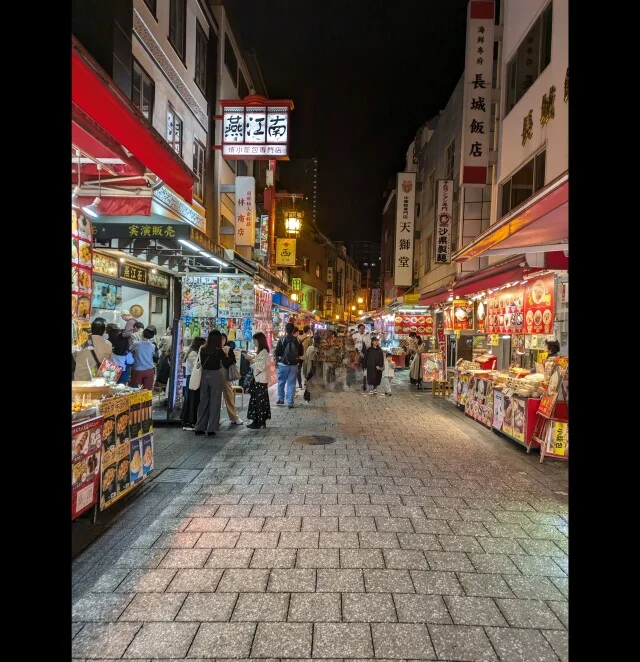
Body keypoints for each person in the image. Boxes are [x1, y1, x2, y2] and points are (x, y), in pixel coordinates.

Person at [195, 330, 234, 436]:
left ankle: (200, 427)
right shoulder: (219, 350)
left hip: (204, 376)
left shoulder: (203, 349)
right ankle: (211, 428)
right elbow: (226, 364)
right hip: (215, 376)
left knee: (203, 401)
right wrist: (228, 355)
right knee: (215, 402)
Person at [246, 332, 272, 429]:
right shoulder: (262, 352)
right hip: (260, 380)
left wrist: (251, 360)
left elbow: (260, 367)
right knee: (259, 401)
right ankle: (260, 420)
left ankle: (258, 421)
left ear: (259, 340)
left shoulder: (263, 352)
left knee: (259, 401)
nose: (254, 342)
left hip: (260, 380)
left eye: (255, 340)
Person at [275, 322, 303, 408]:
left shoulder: (282, 339)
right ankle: (290, 402)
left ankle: (281, 399)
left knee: (281, 382)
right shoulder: (298, 340)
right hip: (294, 365)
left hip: (283, 364)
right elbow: (301, 352)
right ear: (293, 330)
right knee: (291, 383)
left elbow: (277, 352)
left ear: (286, 330)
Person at [181, 336, 206, 431]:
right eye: (203, 344)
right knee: (191, 400)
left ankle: (190, 419)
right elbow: (196, 366)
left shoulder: (194, 353)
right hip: (191, 378)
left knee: (192, 400)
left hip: (193, 378)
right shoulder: (193, 354)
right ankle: (188, 421)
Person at [220, 333, 243, 426]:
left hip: (225, 376)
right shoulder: (215, 350)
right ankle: (215, 417)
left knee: (229, 396)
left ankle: (234, 417)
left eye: (223, 339)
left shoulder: (228, 349)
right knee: (215, 398)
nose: (222, 341)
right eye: (220, 339)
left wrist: (225, 355)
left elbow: (231, 361)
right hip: (215, 375)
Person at [352, 323, 372, 390]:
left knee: (364, 369)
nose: (362, 329)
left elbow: (369, 346)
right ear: (358, 329)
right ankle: (355, 383)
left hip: (364, 355)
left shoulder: (367, 336)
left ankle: (364, 384)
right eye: (361, 328)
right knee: (355, 368)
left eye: (363, 328)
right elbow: (351, 345)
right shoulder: (354, 336)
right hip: (356, 354)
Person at [297, 325, 312, 389]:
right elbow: (310, 348)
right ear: (308, 330)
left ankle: (299, 384)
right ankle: (305, 382)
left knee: (298, 370)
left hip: (299, 356)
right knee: (306, 369)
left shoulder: (298, 337)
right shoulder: (309, 339)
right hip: (306, 356)